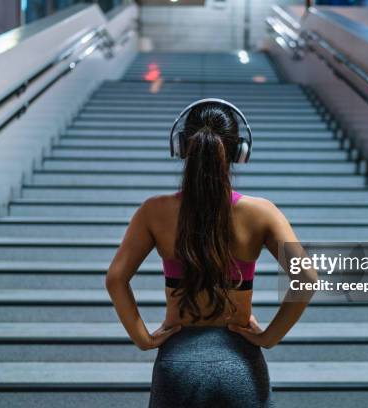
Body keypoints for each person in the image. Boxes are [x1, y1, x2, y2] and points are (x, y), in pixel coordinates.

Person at [106, 99, 315, 408]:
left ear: (181, 147)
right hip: (240, 363)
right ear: (239, 151)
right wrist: (269, 337)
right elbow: (307, 278)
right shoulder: (262, 212)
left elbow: (116, 279)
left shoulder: (154, 211)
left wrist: (143, 338)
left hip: (178, 363)